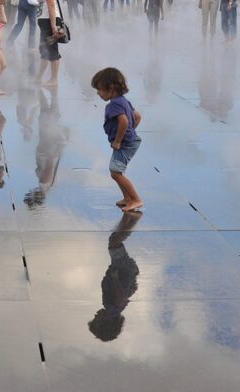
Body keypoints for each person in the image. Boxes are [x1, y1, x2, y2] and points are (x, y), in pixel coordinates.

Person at [91, 67, 143, 212]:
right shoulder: (123, 101)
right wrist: (131, 132)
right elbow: (137, 116)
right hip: (130, 141)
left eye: (100, 89)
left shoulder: (114, 104)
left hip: (124, 144)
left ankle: (136, 199)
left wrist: (119, 140)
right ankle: (127, 198)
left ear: (111, 88)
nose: (98, 93)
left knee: (115, 173)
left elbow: (124, 121)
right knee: (116, 171)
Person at [88, 211, 142, 342]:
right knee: (114, 241)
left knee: (114, 240)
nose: (95, 315)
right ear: (105, 322)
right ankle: (134, 218)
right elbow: (122, 299)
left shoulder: (113, 309)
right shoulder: (113, 308)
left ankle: (127, 217)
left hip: (124, 269)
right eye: (96, 319)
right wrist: (115, 278)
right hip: (123, 270)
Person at [28, 0, 64, 87]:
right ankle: (39, 78)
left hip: (49, 21)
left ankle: (54, 80)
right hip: (48, 20)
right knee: (44, 49)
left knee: (52, 50)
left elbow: (51, 5)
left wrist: (54, 26)